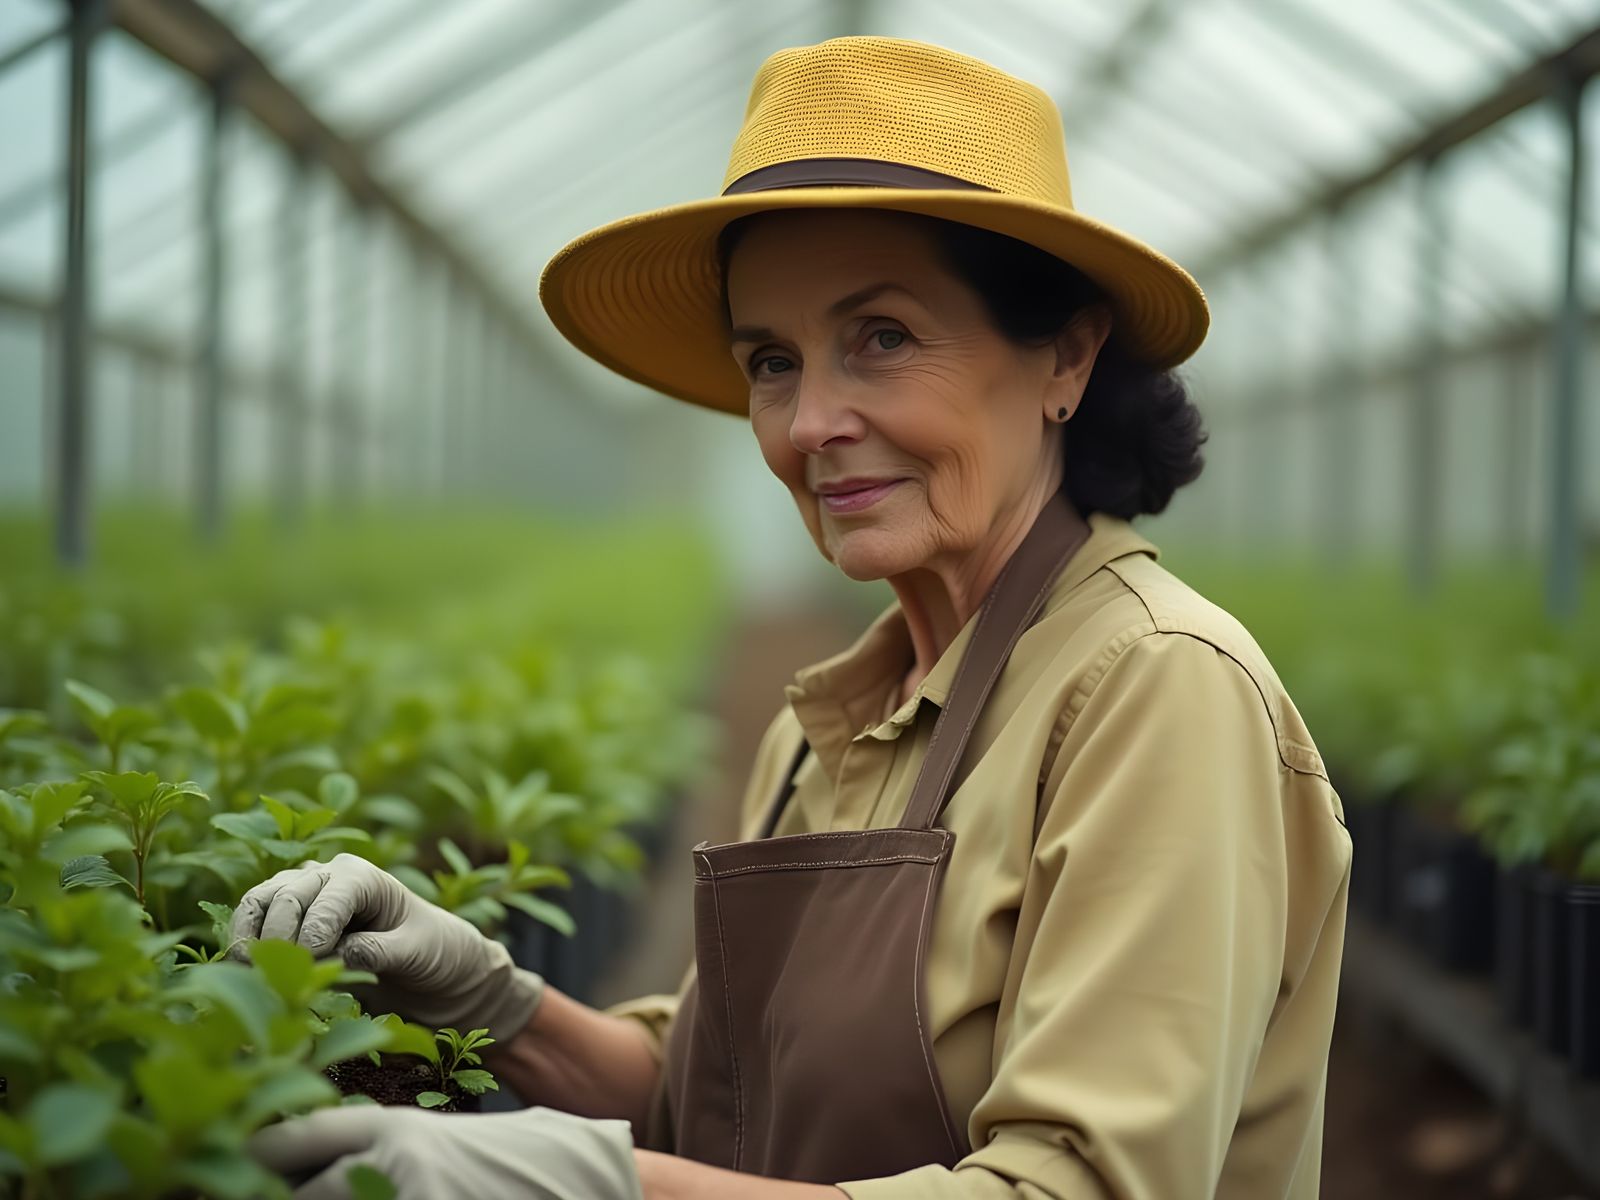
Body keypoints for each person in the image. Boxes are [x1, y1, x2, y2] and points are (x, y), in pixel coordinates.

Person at [243, 34, 1353, 1199]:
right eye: (772, 361)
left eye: (883, 339)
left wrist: (597, 1185)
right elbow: (721, 1097)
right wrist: (495, 1002)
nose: (811, 422)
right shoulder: (829, 726)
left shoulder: (1154, 689)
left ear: (1065, 357)